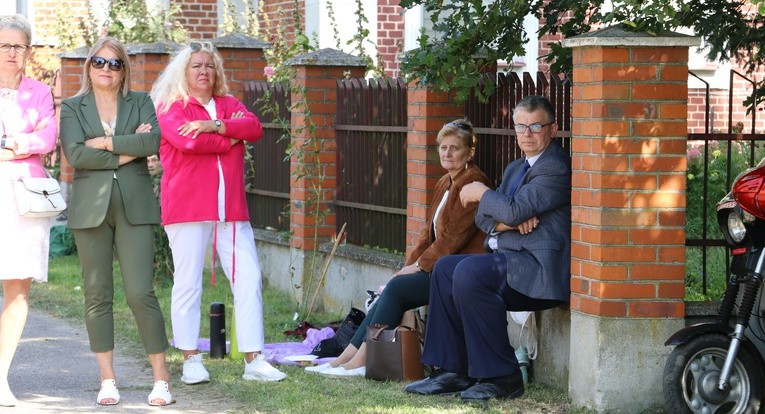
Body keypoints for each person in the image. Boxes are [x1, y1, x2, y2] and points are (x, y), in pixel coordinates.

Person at [404, 95, 571, 402]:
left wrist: (483, 193)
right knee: (444, 268)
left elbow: (507, 208)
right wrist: (507, 219)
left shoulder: (555, 167)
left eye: (536, 125)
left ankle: (502, 376)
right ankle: (452, 370)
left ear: (553, 129)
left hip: (536, 271)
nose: (527, 133)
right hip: (510, 259)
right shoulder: (514, 168)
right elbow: (486, 216)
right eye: (521, 126)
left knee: (470, 270)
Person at [307, 119, 490, 377]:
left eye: (455, 148)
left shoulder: (472, 182)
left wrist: (417, 267)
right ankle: (345, 357)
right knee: (392, 286)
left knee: (396, 289)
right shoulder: (444, 183)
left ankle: (360, 361)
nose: (447, 153)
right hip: (436, 267)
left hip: (457, 270)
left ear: (469, 152)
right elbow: (428, 235)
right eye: (443, 147)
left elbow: (452, 239)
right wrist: (408, 267)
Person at [150, 41, 286, 384]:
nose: (204, 72)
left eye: (209, 66)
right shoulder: (171, 106)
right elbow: (187, 143)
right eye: (196, 66)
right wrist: (230, 140)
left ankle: (254, 359)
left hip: (232, 209)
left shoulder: (228, 104)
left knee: (250, 278)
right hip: (187, 207)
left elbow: (253, 128)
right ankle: (190, 359)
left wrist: (215, 126)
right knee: (188, 282)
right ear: (184, 71)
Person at [60, 37, 174, 406]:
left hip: (135, 206)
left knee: (141, 292)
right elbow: (76, 153)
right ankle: (107, 380)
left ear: (124, 68)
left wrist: (105, 145)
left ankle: (161, 380)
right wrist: (127, 149)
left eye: (114, 63)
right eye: (99, 62)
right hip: (90, 209)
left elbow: (153, 142)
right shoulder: (73, 107)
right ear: (88, 66)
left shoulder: (140, 101)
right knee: (97, 294)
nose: (106, 69)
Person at [0, 14, 57, 406]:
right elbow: (36, 137)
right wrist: (27, 140)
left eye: (18, 46)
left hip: (25, 195)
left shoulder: (39, 92)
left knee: (18, 287)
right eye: (4, 45)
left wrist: (12, 143)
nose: (11, 52)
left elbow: (49, 135)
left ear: (29, 52)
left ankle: (0, 375)